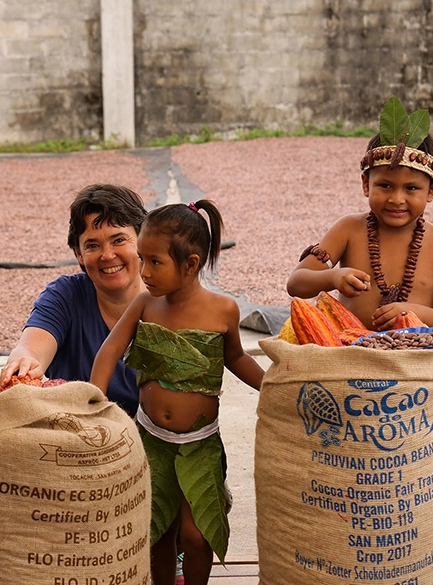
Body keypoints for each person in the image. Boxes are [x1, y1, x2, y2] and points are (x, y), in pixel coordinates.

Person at [89, 199, 263, 585]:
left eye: (155, 262)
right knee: (159, 530)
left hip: (201, 444)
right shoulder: (144, 305)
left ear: (190, 264)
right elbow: (109, 353)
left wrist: (272, 386)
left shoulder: (223, 310)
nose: (144, 271)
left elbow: (236, 358)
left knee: (197, 534)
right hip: (152, 440)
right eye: (143, 259)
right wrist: (94, 406)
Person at [286, 96, 433, 334]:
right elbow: (296, 283)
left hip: (417, 357)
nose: (396, 199)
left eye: (411, 188)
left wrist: (412, 312)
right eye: (385, 186)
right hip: (351, 350)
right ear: (366, 184)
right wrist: (333, 277)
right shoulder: (348, 229)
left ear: (431, 191)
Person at [0, 183, 147, 416]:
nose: (107, 255)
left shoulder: (170, 302)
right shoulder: (65, 297)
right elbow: (30, 348)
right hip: (76, 443)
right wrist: (23, 363)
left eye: (119, 240)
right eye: (92, 245)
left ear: (142, 241)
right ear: (78, 254)